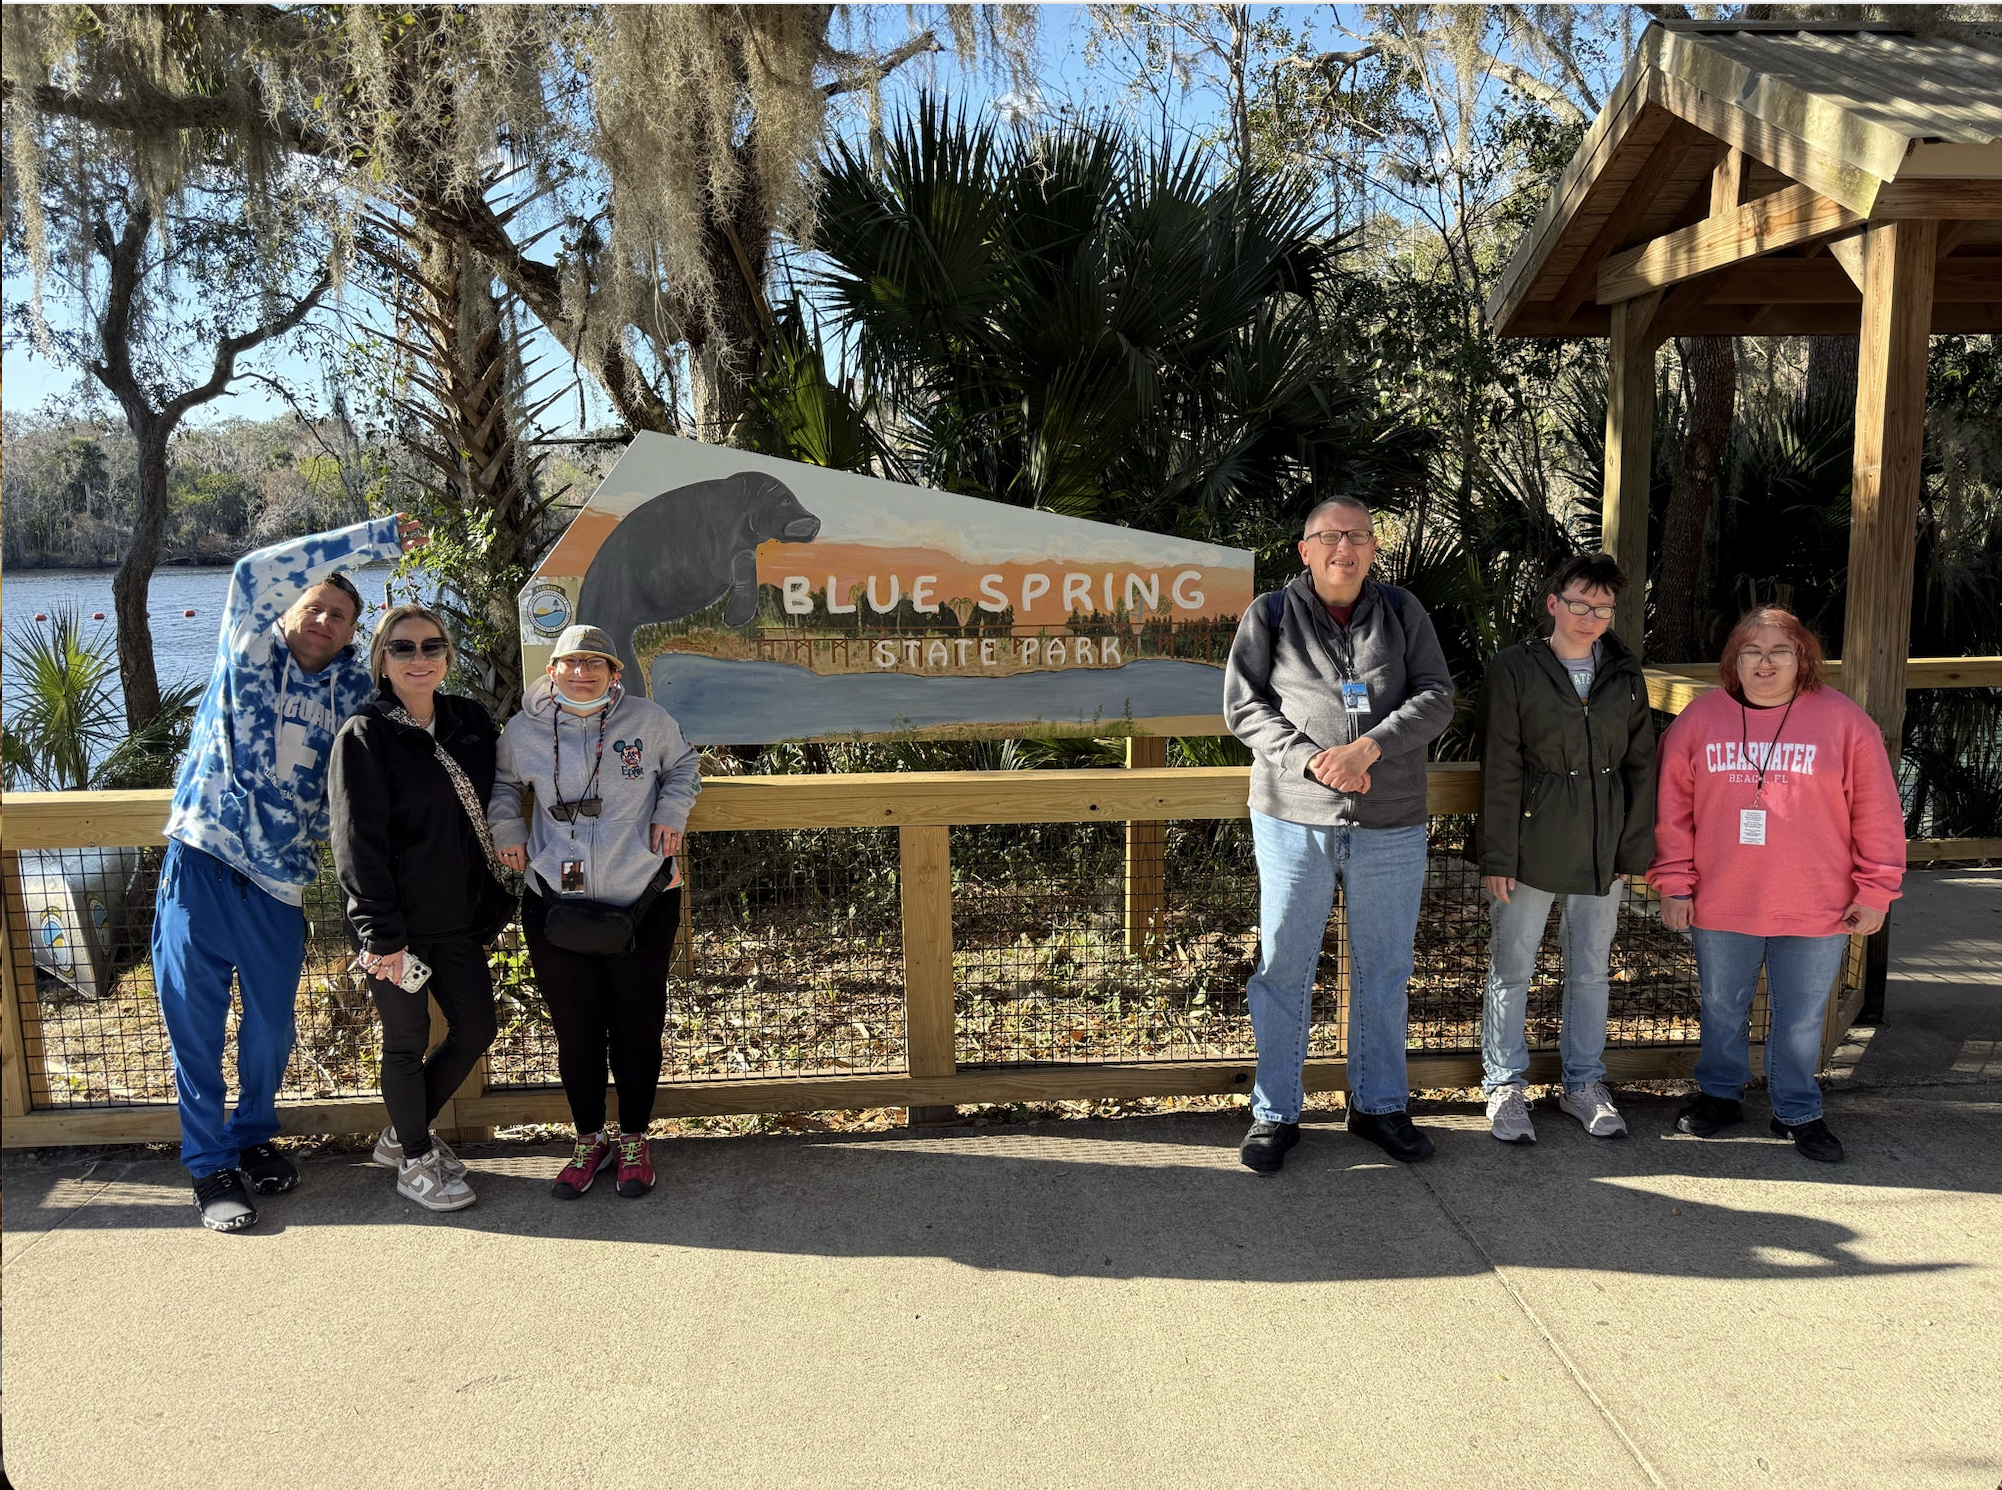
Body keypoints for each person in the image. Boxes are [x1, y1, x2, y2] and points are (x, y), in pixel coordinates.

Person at [152, 513, 423, 1232]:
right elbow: (249, 573)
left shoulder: (354, 704)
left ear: (350, 632)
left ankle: (251, 1136)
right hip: (202, 864)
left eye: (340, 615)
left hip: (278, 888)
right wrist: (376, 539)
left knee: (271, 1029)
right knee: (196, 1030)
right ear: (289, 610)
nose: (326, 619)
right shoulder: (246, 651)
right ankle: (210, 1170)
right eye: (315, 606)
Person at [1223, 497, 1455, 1173]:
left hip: (1391, 822)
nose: (1342, 549)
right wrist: (1311, 759)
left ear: (1373, 547)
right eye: (1329, 537)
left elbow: (1436, 695)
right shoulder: (1268, 613)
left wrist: (1370, 749)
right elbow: (1244, 706)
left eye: (1355, 537)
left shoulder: (1403, 611)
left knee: (1385, 969)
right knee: (1282, 969)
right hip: (1292, 819)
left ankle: (1380, 1104)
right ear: (1305, 549)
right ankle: (1275, 1111)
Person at [1648, 607, 1905, 1163]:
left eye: (1779, 652)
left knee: (1802, 1013)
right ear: (1733, 661)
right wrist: (1673, 883)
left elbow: (1879, 814)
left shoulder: (1844, 722)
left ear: (1803, 658)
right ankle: (1719, 1095)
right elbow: (1672, 813)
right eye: (1751, 652)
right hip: (1720, 898)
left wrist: (1875, 889)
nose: (1764, 663)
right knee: (1721, 1004)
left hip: (1817, 902)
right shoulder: (1698, 720)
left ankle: (1797, 1109)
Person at [489, 625, 699, 1200]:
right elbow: (503, 786)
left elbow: (684, 767)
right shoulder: (521, 730)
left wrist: (671, 814)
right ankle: (588, 1140)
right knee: (575, 1030)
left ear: (615, 675)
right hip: (555, 901)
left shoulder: (649, 722)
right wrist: (507, 830)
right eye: (571, 663)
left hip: (643, 898)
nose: (583, 673)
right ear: (551, 671)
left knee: (636, 1025)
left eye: (596, 664)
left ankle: (634, 1139)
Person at [330, 605, 510, 1213]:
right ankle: (414, 1159)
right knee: (405, 1042)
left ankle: (404, 1132)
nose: (419, 658)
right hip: (395, 926)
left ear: (448, 656)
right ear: (381, 659)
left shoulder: (469, 721)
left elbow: (507, 788)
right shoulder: (365, 733)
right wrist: (380, 934)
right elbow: (357, 840)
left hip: (458, 916)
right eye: (402, 648)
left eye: (431, 647)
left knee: (477, 1028)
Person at [1475, 553, 1656, 1144]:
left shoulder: (1625, 675)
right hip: (1530, 845)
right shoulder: (1515, 668)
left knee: (1590, 970)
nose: (1590, 616)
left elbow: (1639, 768)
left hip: (1602, 849)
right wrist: (1497, 855)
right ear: (1553, 602)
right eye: (1579, 603)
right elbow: (1499, 765)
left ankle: (1583, 1083)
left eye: (1602, 608)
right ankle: (1504, 1085)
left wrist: (1633, 853)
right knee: (1513, 966)